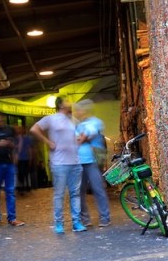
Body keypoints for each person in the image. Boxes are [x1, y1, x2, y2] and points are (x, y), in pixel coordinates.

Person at [30, 99, 86, 233]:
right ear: (60, 104)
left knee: (75, 193)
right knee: (59, 194)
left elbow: (83, 133)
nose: (70, 104)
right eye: (67, 101)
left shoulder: (73, 120)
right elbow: (34, 129)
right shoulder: (51, 119)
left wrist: (79, 141)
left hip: (75, 162)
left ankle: (76, 222)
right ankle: (59, 224)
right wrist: (47, 142)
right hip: (59, 162)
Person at [73, 99, 111, 228]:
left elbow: (86, 136)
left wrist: (80, 138)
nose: (77, 112)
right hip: (79, 161)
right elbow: (75, 139)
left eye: (79, 109)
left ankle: (105, 217)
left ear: (85, 110)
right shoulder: (77, 125)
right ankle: (85, 219)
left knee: (98, 189)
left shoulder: (96, 122)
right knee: (79, 191)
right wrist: (80, 138)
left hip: (92, 161)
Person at [0, 113, 24, 228]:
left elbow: (18, 141)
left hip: (8, 163)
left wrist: (13, 147)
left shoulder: (9, 130)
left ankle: (12, 218)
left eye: (1, 120)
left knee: (10, 191)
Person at [16, 126, 36, 192]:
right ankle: (21, 187)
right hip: (18, 159)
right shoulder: (16, 139)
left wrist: (30, 158)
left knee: (24, 172)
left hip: (25, 159)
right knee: (20, 173)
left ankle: (25, 186)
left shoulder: (27, 138)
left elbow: (30, 149)